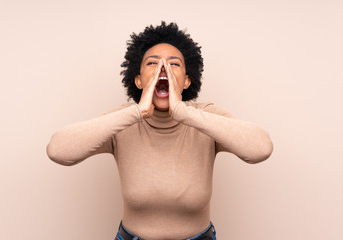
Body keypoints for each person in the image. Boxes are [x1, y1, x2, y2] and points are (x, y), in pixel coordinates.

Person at [46, 21, 273, 240]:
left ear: (186, 81)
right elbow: (58, 150)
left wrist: (183, 112)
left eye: (174, 64)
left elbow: (260, 148)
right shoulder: (123, 120)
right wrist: (137, 112)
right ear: (138, 80)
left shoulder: (205, 116)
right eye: (152, 63)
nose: (162, 69)